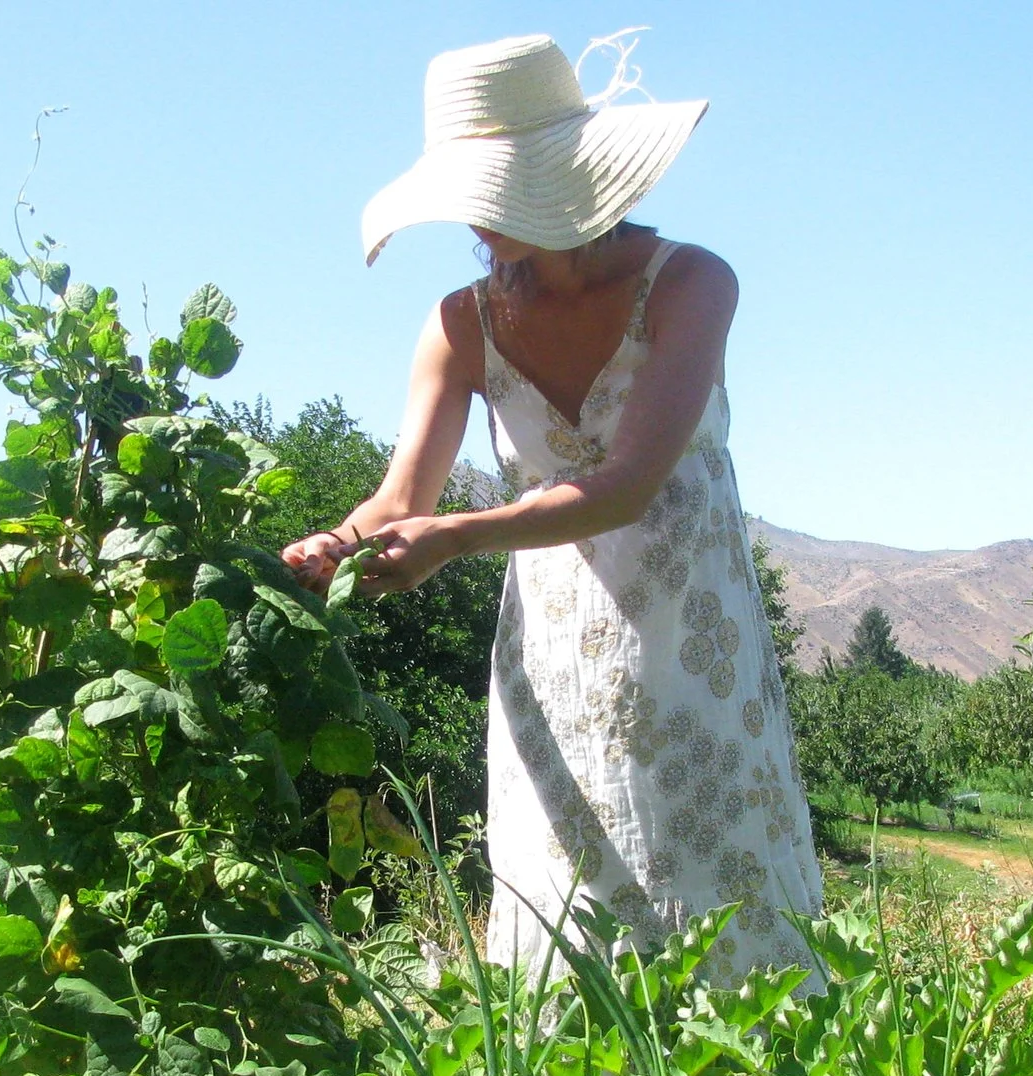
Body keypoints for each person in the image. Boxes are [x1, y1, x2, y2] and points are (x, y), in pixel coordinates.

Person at [283, 34, 823, 989]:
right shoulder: (462, 325)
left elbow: (629, 482)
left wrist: (458, 538)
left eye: (493, 203)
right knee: (568, 922)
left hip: (695, 655)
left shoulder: (691, 285)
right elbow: (401, 495)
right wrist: (339, 544)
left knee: (726, 912)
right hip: (555, 672)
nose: (479, 231)